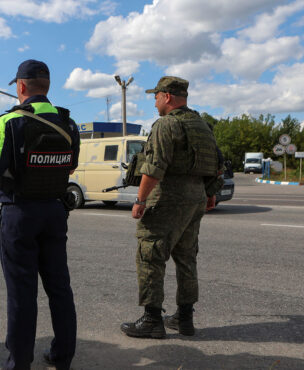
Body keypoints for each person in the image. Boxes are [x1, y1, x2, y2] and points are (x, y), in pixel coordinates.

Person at [0, 59, 80, 370]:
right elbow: (70, 166)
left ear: (20, 86)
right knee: (59, 286)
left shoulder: (9, 122)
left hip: (19, 214)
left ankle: (19, 363)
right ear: (46, 86)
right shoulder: (68, 123)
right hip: (54, 211)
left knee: (22, 292)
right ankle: (62, 355)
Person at [120, 76, 221, 339]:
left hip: (168, 198)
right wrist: (209, 193)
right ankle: (184, 318)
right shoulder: (202, 124)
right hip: (196, 197)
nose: (154, 103)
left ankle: (152, 320)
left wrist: (141, 200)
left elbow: (154, 167)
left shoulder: (166, 125)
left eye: (155, 97)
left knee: (150, 255)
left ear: (167, 96)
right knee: (187, 257)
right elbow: (217, 162)